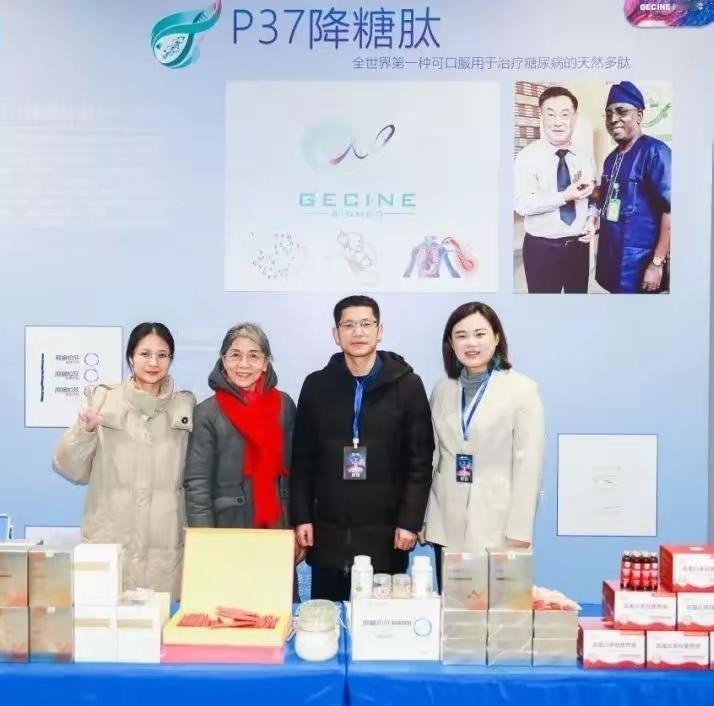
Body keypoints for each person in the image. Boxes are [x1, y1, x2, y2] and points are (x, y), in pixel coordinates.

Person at [290, 295, 434, 601]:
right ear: (336, 334)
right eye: (349, 325)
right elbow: (302, 460)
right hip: (328, 534)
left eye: (366, 324)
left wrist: (409, 522)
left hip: (387, 536)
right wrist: (301, 516)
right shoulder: (316, 386)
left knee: (381, 623)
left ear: (379, 331)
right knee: (329, 617)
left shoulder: (408, 386)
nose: (358, 332)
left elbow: (419, 463)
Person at [53, 322, 195, 600]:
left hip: (165, 551)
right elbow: (71, 469)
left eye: (162, 355)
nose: (153, 362)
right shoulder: (104, 400)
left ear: (171, 359)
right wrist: (85, 431)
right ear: (131, 357)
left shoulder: (185, 407)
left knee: (160, 621)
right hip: (111, 542)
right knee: (104, 620)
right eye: (145, 354)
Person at [423, 303, 545, 590]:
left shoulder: (522, 390)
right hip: (448, 524)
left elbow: (528, 464)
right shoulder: (442, 389)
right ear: (451, 343)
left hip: (499, 525)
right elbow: (434, 457)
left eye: (480, 334)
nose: (471, 343)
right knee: (455, 609)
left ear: (497, 337)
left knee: (499, 610)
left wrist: (519, 531)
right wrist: (428, 518)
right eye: (461, 335)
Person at [183, 323, 296, 535]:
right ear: (224, 360)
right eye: (235, 355)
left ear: (265, 363)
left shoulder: (284, 405)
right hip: (227, 528)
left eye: (253, 356)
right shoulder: (207, 412)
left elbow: (297, 471)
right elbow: (197, 483)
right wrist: (204, 537)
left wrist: (297, 525)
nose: (243, 364)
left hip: (278, 526)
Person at [586, 80, 671, 293]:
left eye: (621, 111)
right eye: (608, 114)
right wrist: (591, 191)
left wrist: (657, 263)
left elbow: (670, 210)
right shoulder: (611, 158)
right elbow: (611, 197)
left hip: (639, 261)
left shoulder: (655, 152)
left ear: (639, 116)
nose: (613, 119)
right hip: (611, 256)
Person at [514, 86, 597, 293]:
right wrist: (565, 196)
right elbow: (522, 205)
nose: (558, 122)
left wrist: (591, 218)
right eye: (550, 114)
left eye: (565, 114)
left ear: (575, 118)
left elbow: (593, 194)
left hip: (579, 247)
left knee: (576, 303)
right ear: (541, 116)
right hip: (542, 248)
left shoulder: (585, 155)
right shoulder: (527, 157)